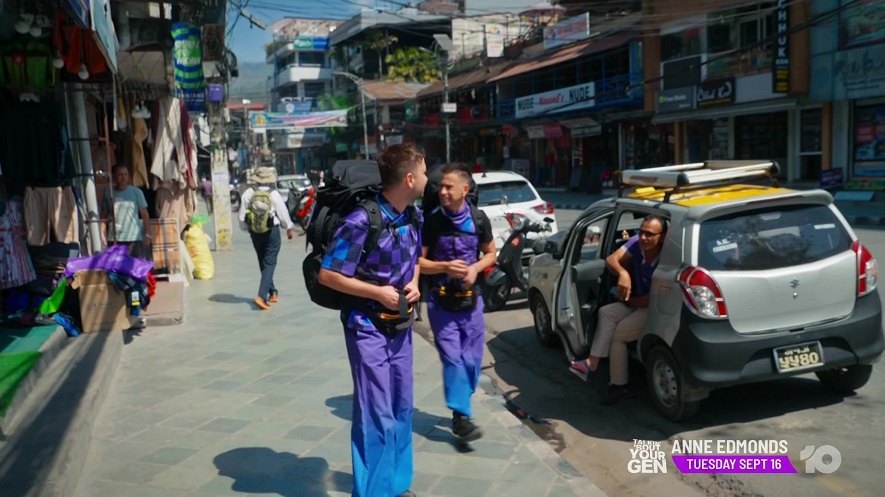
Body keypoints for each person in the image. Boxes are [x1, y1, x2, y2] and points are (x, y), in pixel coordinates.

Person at [317, 144, 427, 497]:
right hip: (366, 326)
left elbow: (416, 261)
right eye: (424, 172)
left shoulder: (413, 215)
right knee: (375, 411)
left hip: (401, 325)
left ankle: (397, 484)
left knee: (402, 405)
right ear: (409, 178)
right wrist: (377, 293)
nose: (429, 178)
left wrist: (413, 283)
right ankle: (374, 491)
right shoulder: (361, 220)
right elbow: (329, 274)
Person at [418, 162, 496, 443]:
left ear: (465, 189)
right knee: (453, 358)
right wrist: (444, 267)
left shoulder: (478, 219)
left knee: (472, 361)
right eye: (440, 186)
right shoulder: (431, 220)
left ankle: (462, 402)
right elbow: (419, 262)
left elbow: (491, 253)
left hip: (471, 302)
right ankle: (461, 417)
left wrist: (475, 268)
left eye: (449, 187)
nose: (443, 191)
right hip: (440, 303)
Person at [571, 214, 667, 406]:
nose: (644, 237)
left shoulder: (666, 256)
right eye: (641, 232)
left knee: (619, 335)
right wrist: (623, 274)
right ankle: (592, 363)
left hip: (654, 309)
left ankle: (618, 386)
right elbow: (611, 259)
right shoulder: (636, 244)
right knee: (606, 312)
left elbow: (650, 301)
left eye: (650, 234)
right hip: (635, 302)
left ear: (662, 236)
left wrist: (629, 299)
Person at [238, 166, 296, 310]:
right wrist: (289, 228)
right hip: (271, 231)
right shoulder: (274, 194)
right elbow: (283, 214)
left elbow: (241, 217)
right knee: (270, 262)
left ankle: (272, 292)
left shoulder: (248, 193)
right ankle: (261, 296)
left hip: (255, 233)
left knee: (263, 261)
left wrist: (248, 229)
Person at [103, 164, 151, 258]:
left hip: (133, 238)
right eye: (120, 175)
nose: (123, 178)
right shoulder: (109, 193)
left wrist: (147, 234)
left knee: (135, 268)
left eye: (125, 174)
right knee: (116, 268)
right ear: (114, 176)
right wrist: (102, 233)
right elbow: (104, 215)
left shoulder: (136, 192)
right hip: (115, 238)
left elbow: (145, 215)